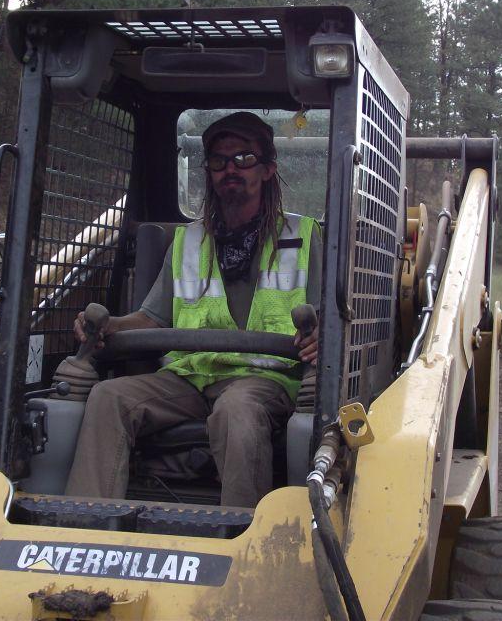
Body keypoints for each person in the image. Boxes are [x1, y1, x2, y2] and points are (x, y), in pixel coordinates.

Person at [63, 111, 321, 508]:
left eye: (244, 159)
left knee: (237, 409)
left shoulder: (302, 237)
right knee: (108, 396)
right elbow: (152, 319)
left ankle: (241, 538)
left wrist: (320, 337)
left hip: (264, 380)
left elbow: (327, 321)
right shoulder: (188, 241)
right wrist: (108, 326)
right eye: (218, 160)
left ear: (268, 169)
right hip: (189, 376)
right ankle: (86, 530)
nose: (230, 169)